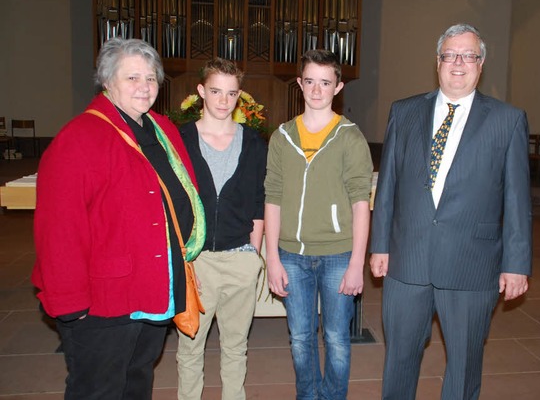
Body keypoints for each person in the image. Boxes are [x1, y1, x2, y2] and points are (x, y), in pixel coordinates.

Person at [32, 37, 205, 400]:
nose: (144, 87)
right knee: (99, 389)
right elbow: (59, 230)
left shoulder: (161, 128)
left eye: (151, 78)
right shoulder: (79, 138)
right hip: (104, 299)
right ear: (107, 81)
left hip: (154, 287)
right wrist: (70, 303)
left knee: (137, 381)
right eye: (132, 78)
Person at [369, 23, 533, 400]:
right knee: (400, 358)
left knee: (463, 364)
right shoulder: (405, 111)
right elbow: (388, 183)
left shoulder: (507, 120)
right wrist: (380, 246)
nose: (458, 62)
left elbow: (518, 200)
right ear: (438, 61)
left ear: (481, 63)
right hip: (407, 260)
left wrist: (517, 263)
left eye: (468, 55)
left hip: (472, 263)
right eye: (450, 54)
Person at [264, 49, 373, 400]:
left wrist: (357, 263)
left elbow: (361, 203)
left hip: (338, 255)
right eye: (309, 81)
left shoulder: (350, 137)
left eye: (325, 83)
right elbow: (273, 198)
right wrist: (272, 258)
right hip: (292, 256)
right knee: (300, 338)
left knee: (338, 339)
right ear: (299, 83)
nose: (316, 90)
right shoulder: (282, 137)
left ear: (338, 87)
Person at [176, 58, 267, 400]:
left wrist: (252, 257)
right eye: (216, 91)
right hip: (195, 261)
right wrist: (183, 258)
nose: (223, 100)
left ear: (239, 96)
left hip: (239, 259)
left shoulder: (254, 143)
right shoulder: (181, 139)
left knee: (235, 348)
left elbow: (259, 202)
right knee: (190, 349)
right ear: (201, 91)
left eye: (231, 93)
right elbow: (172, 202)